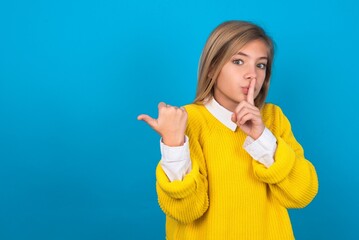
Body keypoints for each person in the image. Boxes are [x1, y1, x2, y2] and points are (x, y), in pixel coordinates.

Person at [137, 20, 318, 240]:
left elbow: (301, 195)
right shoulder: (188, 120)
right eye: (238, 61)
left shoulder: (273, 117)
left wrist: (263, 138)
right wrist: (174, 145)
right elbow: (186, 211)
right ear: (212, 68)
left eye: (261, 65)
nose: (252, 74)